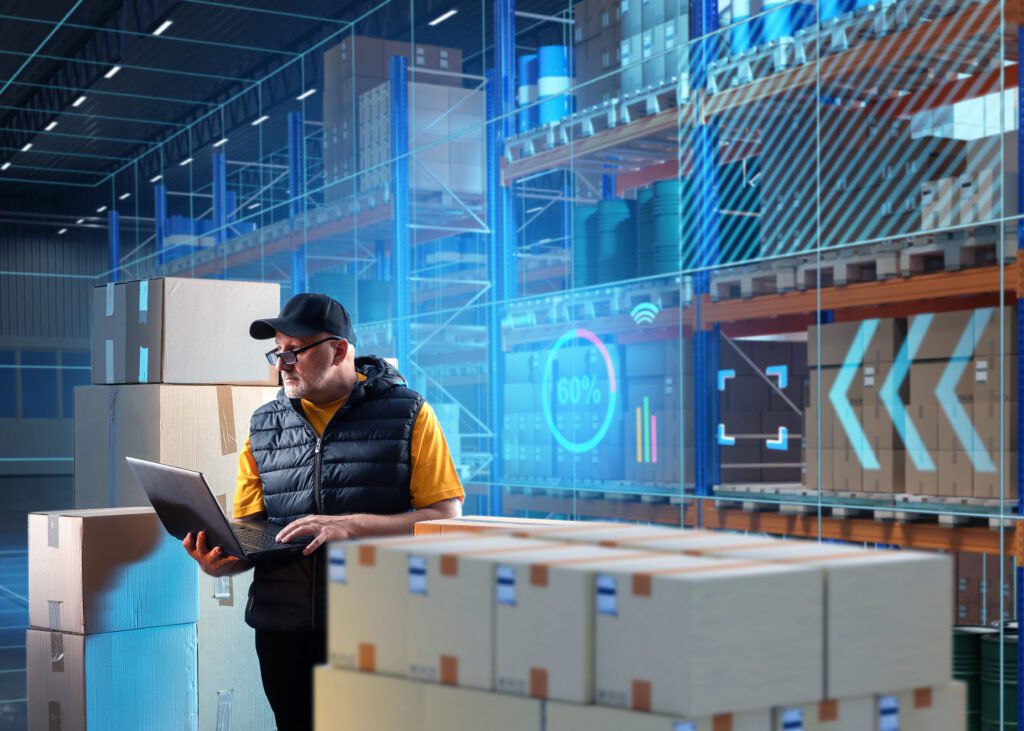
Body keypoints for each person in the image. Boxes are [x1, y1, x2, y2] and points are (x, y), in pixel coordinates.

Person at [181, 292, 464, 731]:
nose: (282, 363)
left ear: (339, 350)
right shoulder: (263, 425)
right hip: (282, 630)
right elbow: (251, 530)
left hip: (375, 632)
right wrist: (222, 562)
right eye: (277, 351)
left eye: (295, 351)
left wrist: (352, 526)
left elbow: (446, 516)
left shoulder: (408, 414)